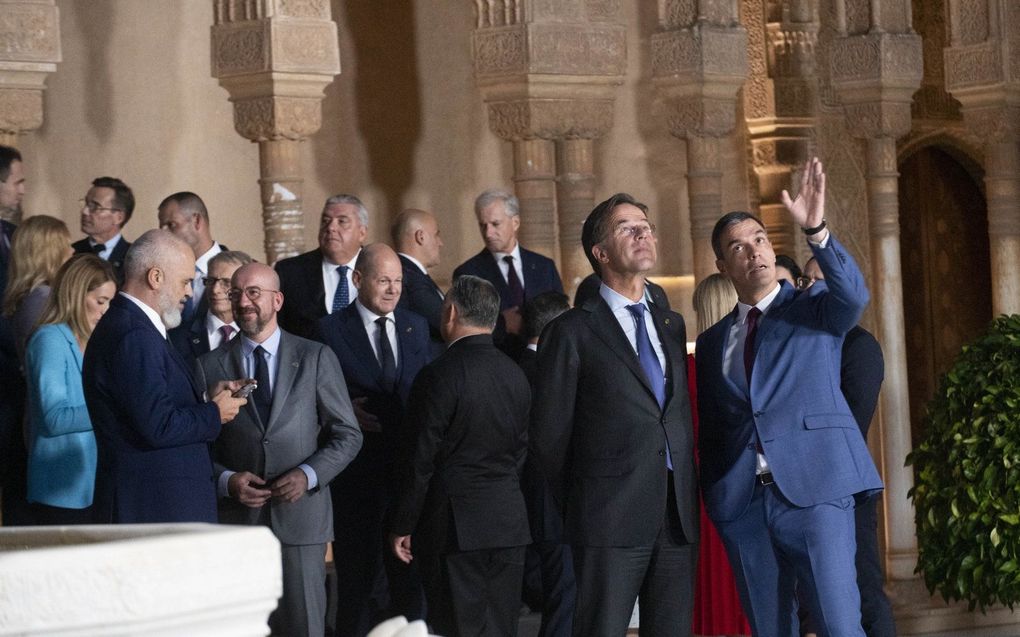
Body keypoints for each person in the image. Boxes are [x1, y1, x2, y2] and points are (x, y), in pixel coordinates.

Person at [695, 158, 883, 637]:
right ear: (723, 265)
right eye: (738, 246)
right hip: (745, 506)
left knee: (840, 626)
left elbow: (854, 297)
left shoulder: (813, 307)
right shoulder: (716, 339)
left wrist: (816, 230)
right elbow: (719, 421)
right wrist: (718, 496)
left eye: (758, 239)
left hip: (817, 494)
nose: (752, 251)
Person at [531, 193, 698, 637]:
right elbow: (549, 438)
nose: (643, 232)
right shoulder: (571, 331)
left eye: (646, 225)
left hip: (674, 514)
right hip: (606, 517)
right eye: (627, 227)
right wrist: (586, 503)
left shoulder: (671, 323)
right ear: (600, 253)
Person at [196, 261, 363, 637]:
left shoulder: (316, 357)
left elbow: (348, 434)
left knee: (306, 627)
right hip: (239, 523)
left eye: (253, 292)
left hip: (302, 520)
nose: (243, 301)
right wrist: (227, 480)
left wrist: (308, 475)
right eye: (236, 294)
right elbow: (198, 446)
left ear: (278, 300)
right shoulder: (208, 367)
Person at [388, 275, 532, 637]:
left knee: (456, 629)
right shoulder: (516, 374)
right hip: (509, 522)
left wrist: (403, 523)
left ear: (449, 313)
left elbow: (420, 459)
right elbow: (521, 450)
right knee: (501, 629)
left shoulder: (437, 375)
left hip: (454, 528)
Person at [83, 229, 247, 524]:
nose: (189, 292)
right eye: (185, 281)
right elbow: (158, 426)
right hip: (152, 507)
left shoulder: (134, 326)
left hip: (159, 503)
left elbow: (149, 406)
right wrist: (214, 412)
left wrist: (206, 398)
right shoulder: (134, 335)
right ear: (155, 277)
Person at [316, 243, 432, 636]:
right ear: (358, 279)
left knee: (409, 585)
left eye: (398, 281)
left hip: (408, 480)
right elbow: (312, 397)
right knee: (358, 585)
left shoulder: (416, 327)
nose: (392, 289)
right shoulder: (328, 330)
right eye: (383, 280)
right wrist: (343, 410)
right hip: (356, 482)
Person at [798, 257, 895, 637]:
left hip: (847, 486)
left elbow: (853, 421)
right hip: (805, 489)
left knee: (865, 590)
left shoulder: (859, 345)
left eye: (820, 279)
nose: (809, 287)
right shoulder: (805, 345)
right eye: (806, 279)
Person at [24, 254, 116, 525]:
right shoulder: (49, 339)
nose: (105, 311)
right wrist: (113, 408)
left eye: (110, 302)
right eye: (100, 301)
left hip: (93, 483)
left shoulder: (95, 341)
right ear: (76, 295)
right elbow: (53, 418)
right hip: (59, 489)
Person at [690, 273, 751, 636]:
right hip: (746, 486)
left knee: (710, 589)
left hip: (700, 491)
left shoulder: (685, 370)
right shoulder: (750, 365)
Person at [519, 290, 575, 637]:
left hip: (535, 504)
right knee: (563, 604)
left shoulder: (518, 366)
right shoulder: (544, 373)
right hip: (552, 505)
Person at [453, 189, 563, 356]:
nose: (488, 233)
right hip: (496, 366)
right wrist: (503, 323)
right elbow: (465, 328)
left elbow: (561, 317)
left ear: (515, 222)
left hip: (545, 363)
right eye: (483, 225)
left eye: (495, 224)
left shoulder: (544, 266)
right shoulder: (467, 273)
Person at [276, 194, 368, 339]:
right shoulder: (290, 272)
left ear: (362, 233)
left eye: (342, 221)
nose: (331, 227)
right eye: (325, 221)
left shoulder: (381, 269)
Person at [2, 215, 72, 363]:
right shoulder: (42, 300)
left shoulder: (36, 296)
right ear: (51, 254)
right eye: (66, 246)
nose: (72, 251)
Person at [169, 250, 251, 369]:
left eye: (226, 283)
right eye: (210, 281)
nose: (215, 290)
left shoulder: (259, 333)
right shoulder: (176, 338)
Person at [157, 191, 229, 322]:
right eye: (161, 227)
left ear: (197, 221)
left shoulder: (242, 270)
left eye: (171, 225)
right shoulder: (159, 274)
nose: (163, 234)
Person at [392, 208, 445, 354]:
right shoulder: (410, 279)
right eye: (436, 235)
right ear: (420, 237)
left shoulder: (413, 275)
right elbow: (447, 323)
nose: (440, 243)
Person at [73, 177, 134, 284]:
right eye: (86, 204)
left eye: (95, 207)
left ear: (118, 217)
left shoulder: (133, 258)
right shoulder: (72, 252)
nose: (85, 211)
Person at [573, 272, 671, 310]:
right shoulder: (593, 285)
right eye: (627, 231)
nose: (644, 237)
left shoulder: (657, 291)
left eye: (649, 232)